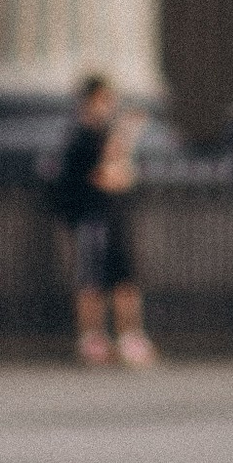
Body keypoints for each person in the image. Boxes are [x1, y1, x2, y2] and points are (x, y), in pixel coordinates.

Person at [52, 74, 157, 370]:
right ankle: (93, 338)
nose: (110, 106)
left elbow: (125, 176)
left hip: (114, 218)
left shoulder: (97, 134)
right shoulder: (82, 137)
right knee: (92, 280)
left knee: (125, 278)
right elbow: (111, 175)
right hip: (92, 218)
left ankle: (129, 336)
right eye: (104, 100)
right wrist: (127, 132)